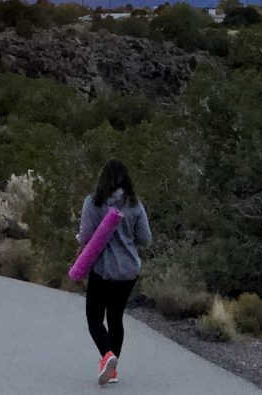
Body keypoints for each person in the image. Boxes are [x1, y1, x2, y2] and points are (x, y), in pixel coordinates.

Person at [76, 159, 152, 385]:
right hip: (128, 271)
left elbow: (87, 236)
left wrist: (79, 241)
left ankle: (108, 356)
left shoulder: (93, 202)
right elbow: (145, 239)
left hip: (102, 270)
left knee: (94, 318)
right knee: (116, 318)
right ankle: (112, 370)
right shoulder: (135, 205)